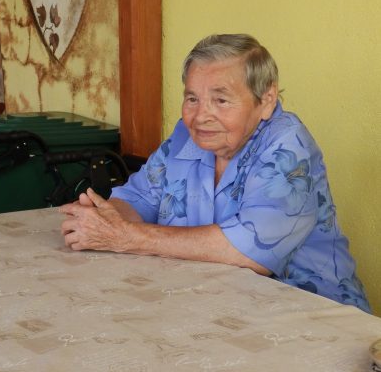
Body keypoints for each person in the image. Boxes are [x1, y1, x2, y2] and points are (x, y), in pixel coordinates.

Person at [61, 34, 370, 312]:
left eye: (221, 100)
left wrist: (126, 237)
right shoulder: (188, 135)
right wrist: (104, 217)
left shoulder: (288, 145)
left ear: (266, 100)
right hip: (214, 307)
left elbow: (248, 250)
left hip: (309, 314)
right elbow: (140, 197)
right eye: (192, 99)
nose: (201, 116)